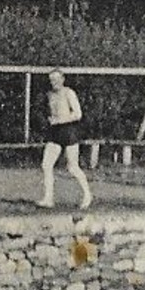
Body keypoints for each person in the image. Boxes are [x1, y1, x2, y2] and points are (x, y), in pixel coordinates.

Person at [40, 69, 93, 210]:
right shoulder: (49, 95)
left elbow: (77, 114)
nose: (54, 82)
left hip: (69, 131)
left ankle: (87, 194)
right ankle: (48, 198)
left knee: (72, 167)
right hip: (55, 132)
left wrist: (60, 120)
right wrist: (51, 120)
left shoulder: (69, 92)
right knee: (46, 165)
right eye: (51, 80)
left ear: (63, 79)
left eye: (57, 79)